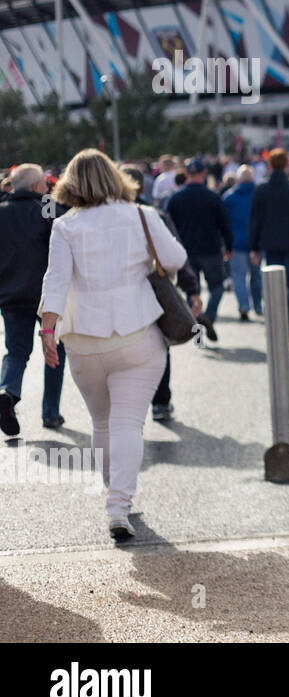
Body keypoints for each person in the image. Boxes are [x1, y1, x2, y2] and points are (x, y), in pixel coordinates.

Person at [38, 149, 188, 540]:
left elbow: (54, 281)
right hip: (137, 332)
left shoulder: (65, 226)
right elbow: (175, 258)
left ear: (71, 183)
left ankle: (114, 497)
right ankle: (117, 505)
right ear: (115, 177)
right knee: (127, 424)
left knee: (102, 423)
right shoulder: (140, 214)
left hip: (83, 338)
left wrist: (47, 331)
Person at [119, 165, 204, 422]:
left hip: (120, 295)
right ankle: (161, 401)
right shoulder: (152, 214)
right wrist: (191, 289)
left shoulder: (104, 217)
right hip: (154, 290)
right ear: (143, 187)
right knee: (159, 344)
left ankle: (133, 404)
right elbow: (177, 255)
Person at [0, 164, 67, 433]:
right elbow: (60, 237)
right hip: (46, 294)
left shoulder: (2, 208)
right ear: (39, 185)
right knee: (55, 350)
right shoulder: (47, 205)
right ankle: (51, 412)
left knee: (16, 351)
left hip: (10, 292)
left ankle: (7, 391)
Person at [163, 158, 231, 342]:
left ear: (186, 175)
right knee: (217, 287)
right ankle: (207, 316)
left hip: (186, 252)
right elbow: (225, 224)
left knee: (192, 290)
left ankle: (194, 323)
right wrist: (229, 247)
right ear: (203, 175)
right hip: (210, 249)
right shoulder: (213, 197)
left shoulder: (175, 198)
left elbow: (167, 227)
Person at [249, 148, 289, 341]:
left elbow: (255, 220)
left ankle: (275, 326)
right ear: (286, 164)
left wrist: (254, 247)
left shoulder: (261, 188)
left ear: (270, 165)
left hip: (269, 242)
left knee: (272, 285)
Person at [222, 166, 261, 320]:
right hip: (255, 241)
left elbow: (224, 223)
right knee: (256, 275)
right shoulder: (258, 194)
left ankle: (244, 305)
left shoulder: (229, 197)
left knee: (239, 276)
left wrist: (225, 243)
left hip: (236, 242)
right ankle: (257, 304)